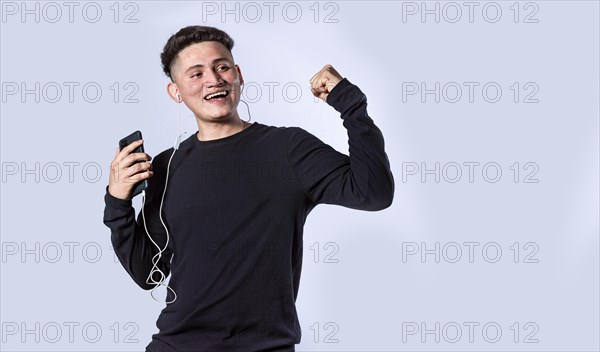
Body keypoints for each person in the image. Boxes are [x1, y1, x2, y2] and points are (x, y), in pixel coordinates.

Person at [103, 25, 394, 352]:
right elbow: (148, 275)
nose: (213, 79)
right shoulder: (167, 167)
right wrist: (117, 202)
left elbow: (374, 192)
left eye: (222, 67)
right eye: (196, 74)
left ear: (238, 74)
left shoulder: (288, 149)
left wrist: (350, 104)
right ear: (177, 92)